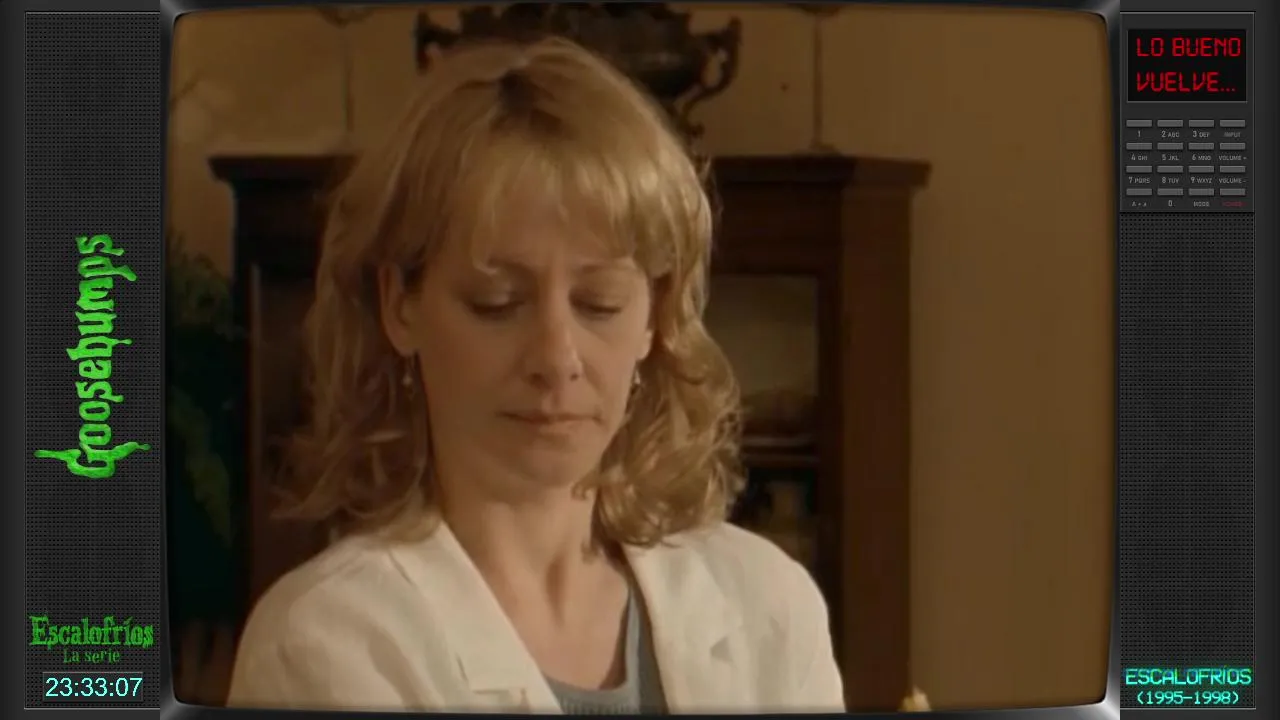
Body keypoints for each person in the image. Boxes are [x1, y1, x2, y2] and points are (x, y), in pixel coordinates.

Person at [225, 35, 843, 714]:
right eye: (497, 303)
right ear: (400, 304)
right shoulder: (328, 643)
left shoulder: (767, 604)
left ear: (654, 316)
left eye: (599, 304)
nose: (556, 358)